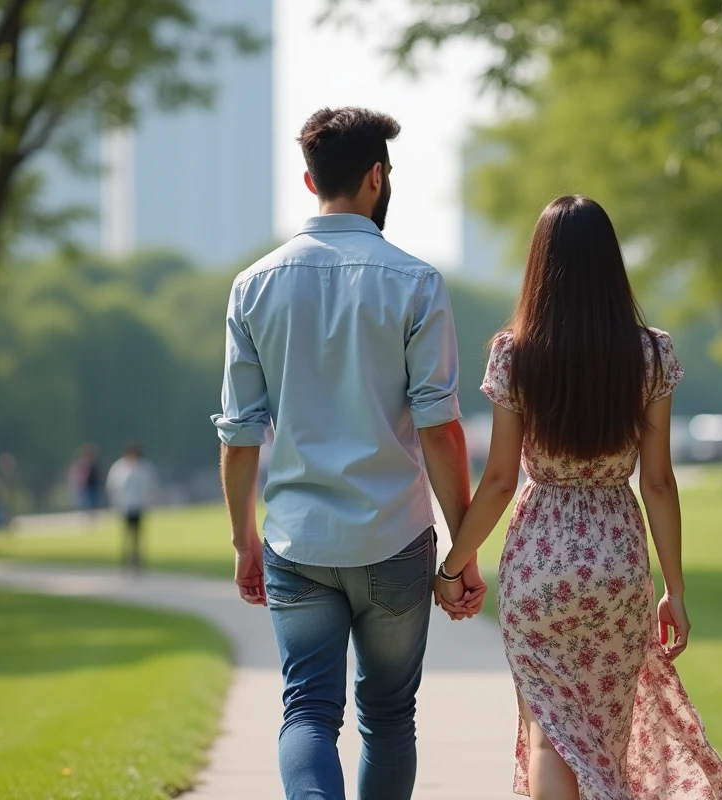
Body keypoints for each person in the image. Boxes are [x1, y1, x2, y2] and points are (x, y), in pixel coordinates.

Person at [212, 107, 486, 800]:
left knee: (306, 710)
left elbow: (241, 435)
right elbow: (440, 429)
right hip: (394, 538)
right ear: (377, 177)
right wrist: (462, 552)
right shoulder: (417, 283)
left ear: (309, 181)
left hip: (297, 541)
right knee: (390, 716)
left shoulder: (253, 286)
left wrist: (244, 541)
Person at [435, 196, 722, 799]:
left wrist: (453, 564)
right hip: (618, 566)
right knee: (602, 744)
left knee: (548, 735)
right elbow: (658, 481)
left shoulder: (515, 355)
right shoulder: (650, 354)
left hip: (538, 566)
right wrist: (673, 588)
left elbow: (496, 481)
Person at [106, 444, 157, 573]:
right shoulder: (120, 468)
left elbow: (150, 487)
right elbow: (113, 487)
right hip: (125, 506)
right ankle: (126, 562)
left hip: (139, 505)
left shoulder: (144, 468)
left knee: (137, 536)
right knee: (127, 535)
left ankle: (137, 563)